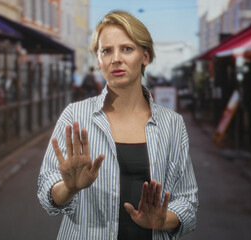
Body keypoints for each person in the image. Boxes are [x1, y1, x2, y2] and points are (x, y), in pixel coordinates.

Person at [38, 10, 198, 240]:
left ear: (145, 57)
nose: (116, 59)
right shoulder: (75, 115)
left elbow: (188, 201)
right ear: (98, 61)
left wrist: (164, 220)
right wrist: (68, 188)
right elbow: (47, 189)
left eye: (127, 49)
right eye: (106, 51)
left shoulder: (172, 123)